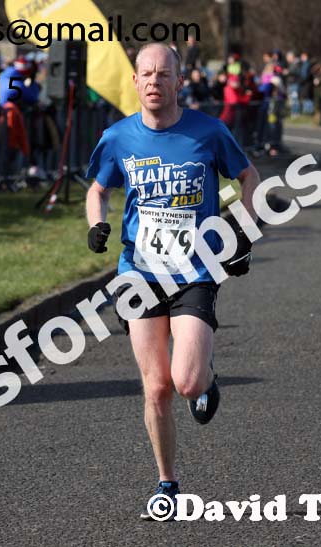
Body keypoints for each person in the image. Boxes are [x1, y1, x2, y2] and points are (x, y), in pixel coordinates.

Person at [84, 42, 261, 520]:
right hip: (139, 274)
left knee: (185, 383)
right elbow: (98, 188)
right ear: (136, 81)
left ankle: (206, 376)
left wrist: (243, 231)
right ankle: (167, 484)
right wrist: (96, 224)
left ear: (179, 81)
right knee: (156, 387)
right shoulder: (119, 137)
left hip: (196, 270)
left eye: (164, 74)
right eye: (146, 74)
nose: (154, 82)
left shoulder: (208, 131)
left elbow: (248, 176)